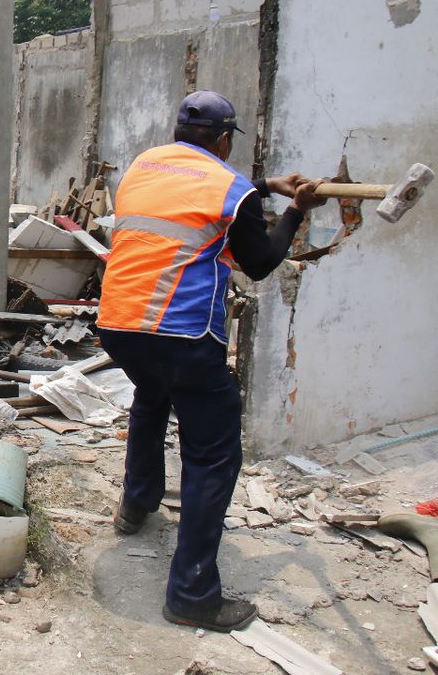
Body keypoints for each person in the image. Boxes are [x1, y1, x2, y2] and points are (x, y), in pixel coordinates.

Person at [98, 90, 327, 633]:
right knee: (213, 453)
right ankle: (193, 594)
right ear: (225, 140)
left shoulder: (143, 166)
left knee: (151, 398)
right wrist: (295, 211)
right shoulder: (231, 189)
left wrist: (267, 186)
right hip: (180, 334)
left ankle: (135, 506)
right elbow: (262, 261)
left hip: (118, 326)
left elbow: (205, 194)